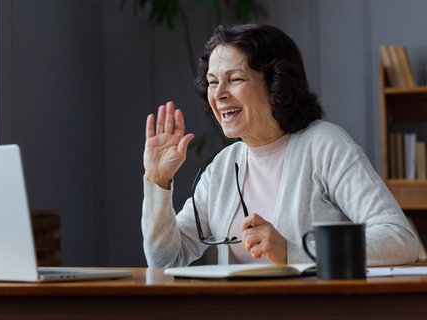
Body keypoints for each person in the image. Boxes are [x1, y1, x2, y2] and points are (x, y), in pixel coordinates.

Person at [141, 24, 418, 268]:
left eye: (235, 79)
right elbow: (165, 260)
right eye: (213, 82)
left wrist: (292, 251)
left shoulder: (324, 145)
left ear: (277, 86)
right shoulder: (223, 167)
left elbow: (399, 239)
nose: (219, 94)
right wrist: (158, 181)